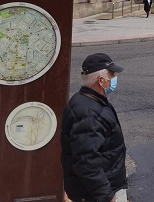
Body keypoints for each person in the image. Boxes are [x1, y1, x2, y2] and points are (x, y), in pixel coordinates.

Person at [61, 53, 127, 202]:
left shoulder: (87, 100)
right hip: (94, 194)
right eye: (112, 74)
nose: (114, 77)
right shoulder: (89, 114)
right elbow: (87, 162)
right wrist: (106, 196)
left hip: (93, 188)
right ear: (101, 80)